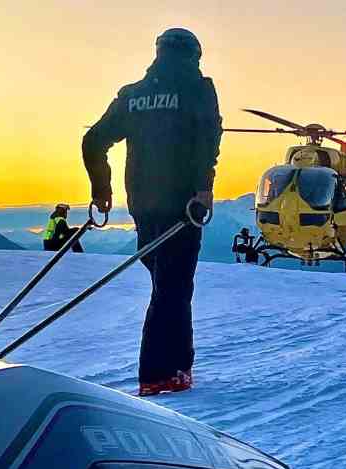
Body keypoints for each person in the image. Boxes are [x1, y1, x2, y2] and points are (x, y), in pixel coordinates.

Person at [82, 28, 222, 396]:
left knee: (168, 285)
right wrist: (204, 188)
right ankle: (159, 373)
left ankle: (178, 365)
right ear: (193, 56)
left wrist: (101, 190)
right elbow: (207, 138)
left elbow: (93, 140)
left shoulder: (133, 96)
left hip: (142, 205)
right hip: (182, 205)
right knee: (173, 288)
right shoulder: (198, 89)